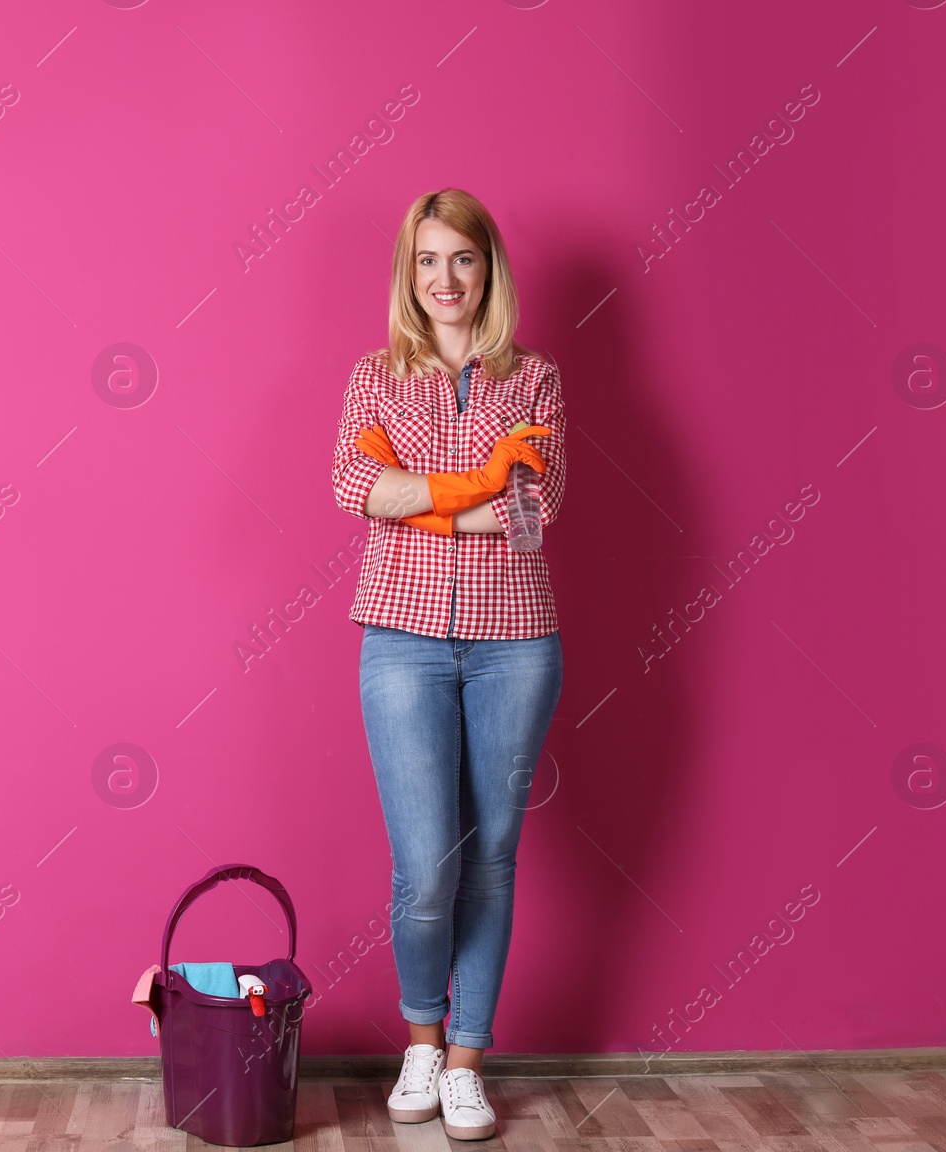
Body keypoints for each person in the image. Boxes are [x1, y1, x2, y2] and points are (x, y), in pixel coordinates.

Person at [329, 188, 566, 1141]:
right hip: (401, 638)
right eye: (428, 261)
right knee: (425, 865)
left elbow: (531, 515)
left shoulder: (536, 379)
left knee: (493, 859)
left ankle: (468, 1056)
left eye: (462, 259)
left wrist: (413, 497)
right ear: (408, 274)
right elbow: (353, 484)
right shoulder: (374, 377)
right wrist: (470, 490)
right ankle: (420, 1041)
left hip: (517, 644)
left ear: (489, 269)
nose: (445, 279)